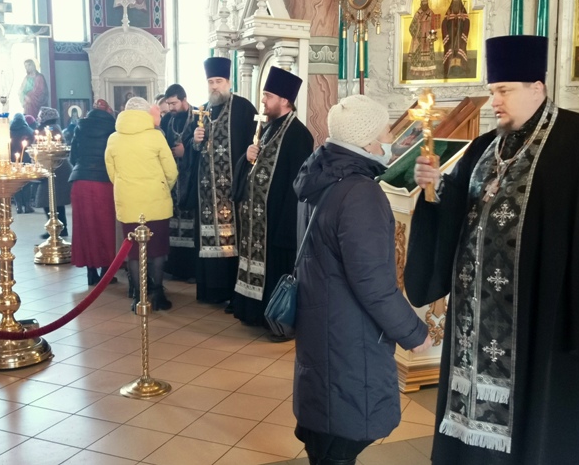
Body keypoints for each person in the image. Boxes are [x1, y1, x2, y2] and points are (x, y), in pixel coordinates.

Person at [406, 35, 579, 465]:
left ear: (537, 87)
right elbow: (455, 216)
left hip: (541, 326)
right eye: (492, 90)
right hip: (475, 325)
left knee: (535, 435)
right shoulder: (484, 149)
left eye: (504, 90)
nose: (494, 101)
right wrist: (432, 190)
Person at [292, 94, 432, 465]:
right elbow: (372, 282)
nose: (390, 138)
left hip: (325, 325)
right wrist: (414, 334)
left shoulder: (320, 173)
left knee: (327, 429)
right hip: (349, 336)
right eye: (386, 131)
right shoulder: (360, 192)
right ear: (369, 141)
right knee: (343, 435)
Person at [231, 67, 313, 333]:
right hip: (256, 221)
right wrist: (247, 156)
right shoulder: (266, 129)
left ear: (285, 101)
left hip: (277, 222)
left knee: (275, 269)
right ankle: (249, 311)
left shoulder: (299, 135)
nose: (263, 100)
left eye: (268, 95)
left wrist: (287, 229)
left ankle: (272, 318)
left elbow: (297, 188)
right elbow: (252, 170)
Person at [184, 57, 258, 306]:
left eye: (218, 81)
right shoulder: (201, 111)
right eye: (210, 82)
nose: (214, 86)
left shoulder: (244, 109)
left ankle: (231, 291)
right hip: (207, 194)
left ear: (229, 82)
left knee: (234, 241)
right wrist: (194, 141)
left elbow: (256, 143)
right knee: (208, 240)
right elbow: (189, 150)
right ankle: (210, 291)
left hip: (234, 192)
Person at [105, 96, 177, 310]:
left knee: (134, 253)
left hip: (128, 204)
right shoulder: (155, 137)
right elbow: (171, 171)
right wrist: (163, 187)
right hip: (157, 202)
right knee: (157, 251)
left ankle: (138, 296)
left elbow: (112, 173)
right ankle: (157, 295)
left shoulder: (113, 139)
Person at [70, 99, 118, 286]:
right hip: (104, 181)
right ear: (108, 111)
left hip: (80, 180)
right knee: (106, 227)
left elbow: (73, 156)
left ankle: (91, 273)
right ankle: (107, 272)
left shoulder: (80, 127)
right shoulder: (113, 128)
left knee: (84, 227)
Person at [160, 83, 198, 281]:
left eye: (174, 103)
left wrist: (187, 151)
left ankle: (191, 270)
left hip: (191, 178)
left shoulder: (199, 117)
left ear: (184, 100)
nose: (171, 108)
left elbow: (203, 148)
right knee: (174, 223)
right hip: (173, 179)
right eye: (168, 104)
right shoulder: (167, 119)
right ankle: (174, 267)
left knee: (191, 224)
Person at [35, 107, 71, 238]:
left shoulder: (50, 129)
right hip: (57, 167)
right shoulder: (53, 127)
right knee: (55, 202)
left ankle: (57, 229)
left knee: (49, 201)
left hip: (55, 168)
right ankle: (59, 229)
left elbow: (46, 150)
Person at [408, 0, 438, 79]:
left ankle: (429, 74)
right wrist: (416, 36)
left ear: (428, 2)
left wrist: (432, 36)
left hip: (428, 41)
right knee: (418, 57)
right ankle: (418, 75)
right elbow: (411, 27)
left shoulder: (431, 13)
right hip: (418, 40)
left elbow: (433, 26)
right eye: (423, 2)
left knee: (428, 57)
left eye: (426, 1)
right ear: (420, 3)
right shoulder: (417, 14)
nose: (424, 3)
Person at [9, 113, 35, 213]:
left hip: (13, 161)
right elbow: (33, 144)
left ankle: (18, 206)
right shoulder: (28, 131)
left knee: (16, 184)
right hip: (26, 160)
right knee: (26, 183)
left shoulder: (9, 132)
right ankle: (27, 206)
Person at [441, 0, 470, 78]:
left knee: (459, 50)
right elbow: (444, 24)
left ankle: (460, 69)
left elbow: (467, 23)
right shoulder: (449, 13)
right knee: (450, 51)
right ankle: (449, 69)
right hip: (451, 37)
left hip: (460, 38)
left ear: (460, 0)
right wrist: (446, 35)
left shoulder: (463, 13)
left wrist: (463, 34)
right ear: (452, 0)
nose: (456, 1)